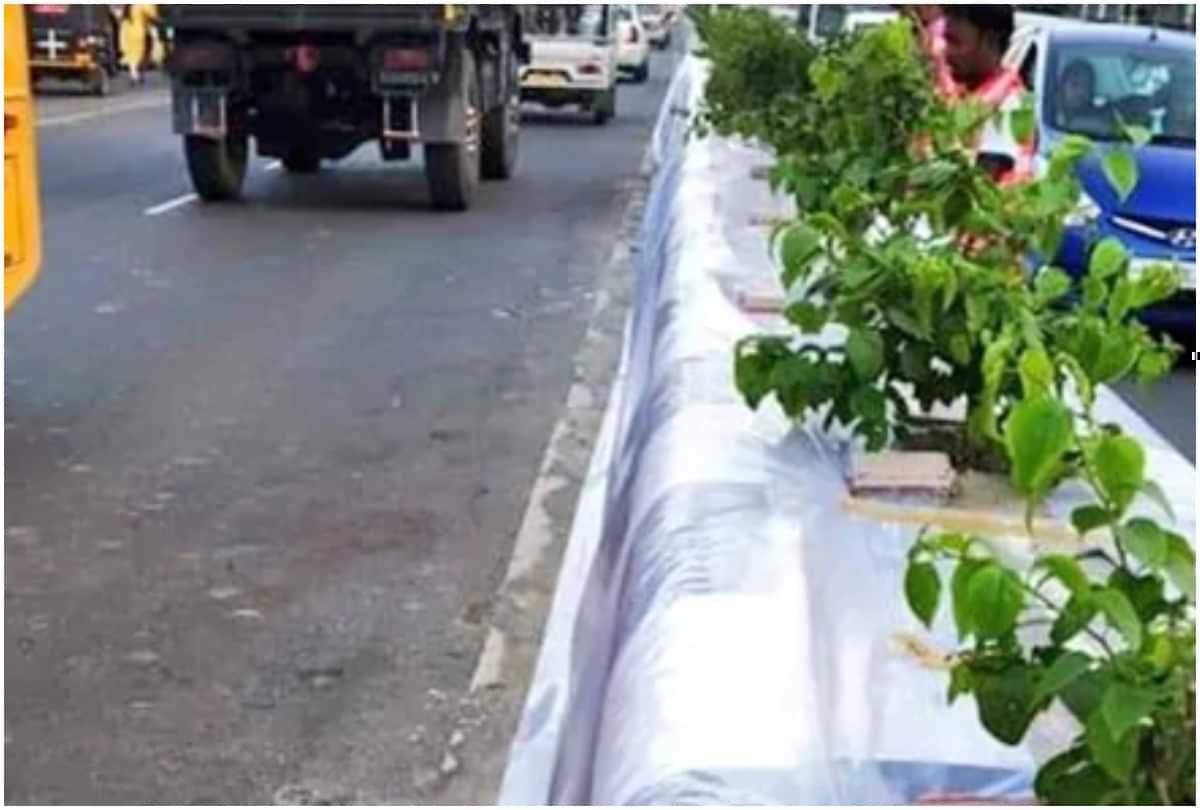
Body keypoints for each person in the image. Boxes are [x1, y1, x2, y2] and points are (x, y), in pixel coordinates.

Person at [942, 5, 1033, 186]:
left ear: (990, 41)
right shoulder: (966, 96)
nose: (946, 52)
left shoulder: (1009, 107)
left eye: (955, 42)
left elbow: (982, 190)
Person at [1055, 59, 1111, 135]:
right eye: (1074, 84)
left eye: (1086, 86)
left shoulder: (1097, 119)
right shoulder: (1048, 113)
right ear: (1062, 86)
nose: (1080, 92)